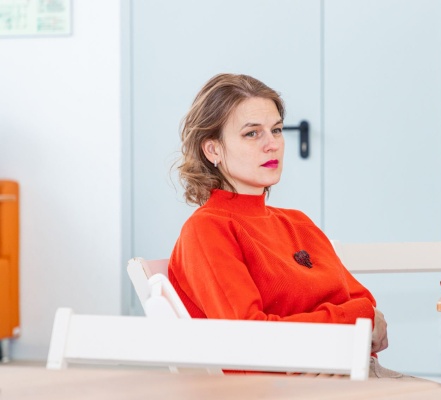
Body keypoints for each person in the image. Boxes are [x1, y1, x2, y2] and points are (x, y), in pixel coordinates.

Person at [168, 73, 413, 379]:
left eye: (276, 130)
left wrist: (354, 318)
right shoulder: (208, 229)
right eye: (252, 133)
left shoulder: (297, 222)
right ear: (213, 150)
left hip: (348, 375)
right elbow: (251, 338)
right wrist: (355, 319)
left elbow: (363, 303)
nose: (272, 145)